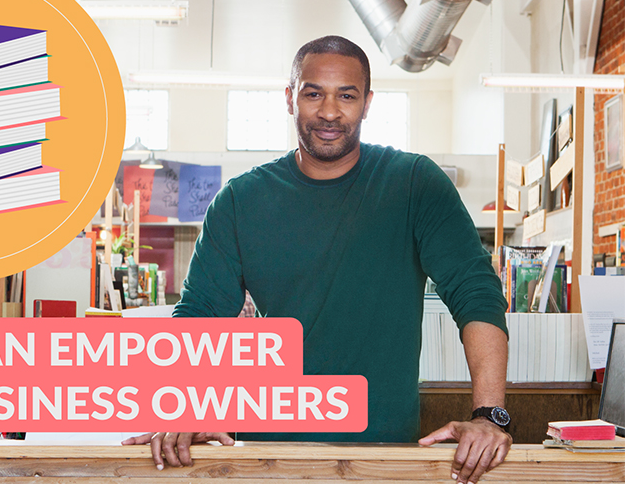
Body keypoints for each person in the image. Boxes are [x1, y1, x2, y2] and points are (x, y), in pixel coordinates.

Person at [123, 35, 512, 484]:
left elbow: (476, 291)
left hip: (382, 458)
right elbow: (201, 314)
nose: (329, 112)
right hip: (268, 457)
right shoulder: (240, 200)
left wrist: (490, 415)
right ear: (290, 98)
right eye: (313, 93)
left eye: (346, 95)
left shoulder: (413, 184)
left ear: (367, 102)